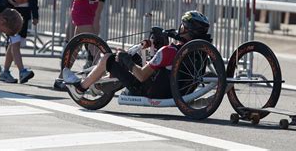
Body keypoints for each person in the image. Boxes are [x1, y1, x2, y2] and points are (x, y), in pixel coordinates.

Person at [63, 11, 212, 99]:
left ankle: (80, 89)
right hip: (173, 92)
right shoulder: (198, 53)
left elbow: (141, 76)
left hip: (147, 90)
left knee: (108, 58)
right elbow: (163, 70)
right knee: (138, 58)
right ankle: (100, 84)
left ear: (184, 28)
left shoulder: (168, 51)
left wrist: (126, 59)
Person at [53, 0, 112, 90]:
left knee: (77, 47)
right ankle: (99, 77)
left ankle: (61, 78)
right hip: (80, 13)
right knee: (96, 47)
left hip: (91, 13)